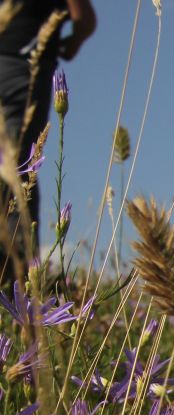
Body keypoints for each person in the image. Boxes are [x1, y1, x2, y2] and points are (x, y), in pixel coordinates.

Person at [0, 0, 95, 274]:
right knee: (19, 172)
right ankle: (19, 279)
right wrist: (70, 44)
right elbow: (84, 18)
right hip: (26, 66)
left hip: (17, 61)